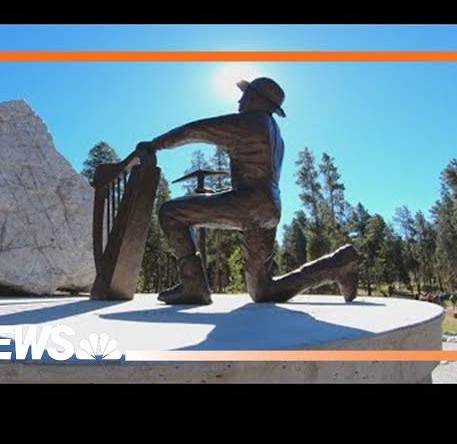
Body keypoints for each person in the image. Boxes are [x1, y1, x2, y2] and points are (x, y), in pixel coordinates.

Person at [138, 77, 358, 305]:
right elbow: (257, 176)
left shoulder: (248, 123)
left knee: (171, 213)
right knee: (263, 291)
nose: (239, 100)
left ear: (256, 99)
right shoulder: (274, 133)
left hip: (249, 204)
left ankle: (193, 285)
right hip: (267, 207)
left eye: (245, 95)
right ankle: (338, 263)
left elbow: (194, 130)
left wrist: (154, 145)